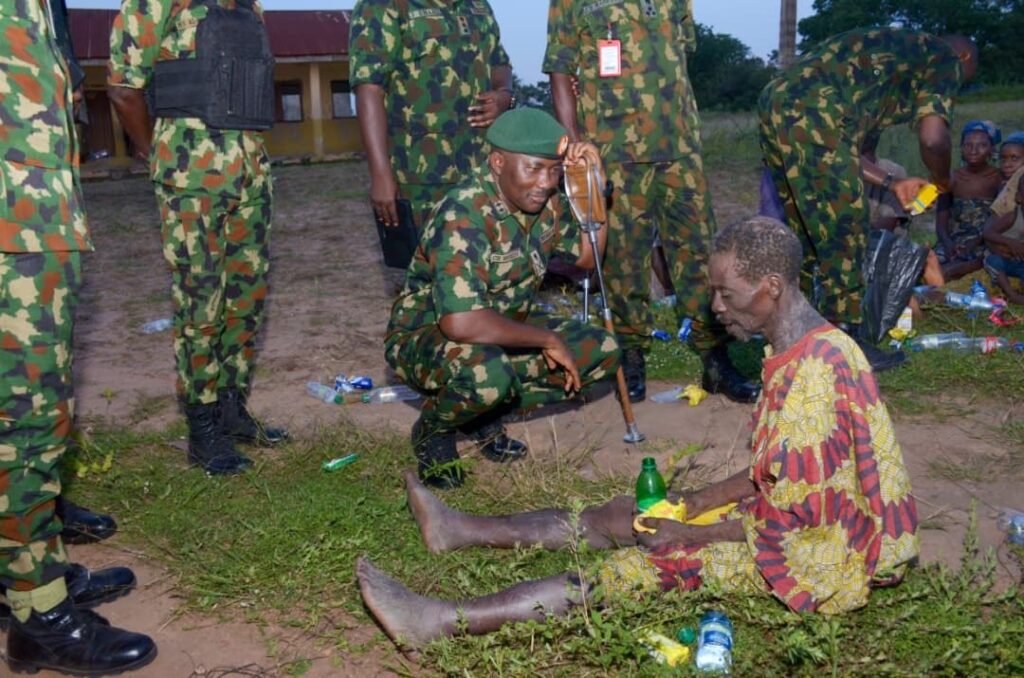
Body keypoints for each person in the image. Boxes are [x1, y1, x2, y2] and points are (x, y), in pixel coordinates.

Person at [357, 217, 920, 646]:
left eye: (727, 293)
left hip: (821, 557)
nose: (715, 306)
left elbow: (794, 522)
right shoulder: (800, 347)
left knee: (635, 568)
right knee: (627, 513)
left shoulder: (816, 379)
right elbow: (777, 473)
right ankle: (459, 528)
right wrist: (693, 501)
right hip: (799, 520)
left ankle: (438, 622)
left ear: (771, 287)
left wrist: (691, 536)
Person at [0, 2, 156, 673]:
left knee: (33, 412)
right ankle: (35, 607)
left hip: (35, 211)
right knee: (26, 417)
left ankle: (29, 575)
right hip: (15, 219)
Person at [385, 108, 621, 489]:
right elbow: (459, 322)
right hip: (430, 337)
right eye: (534, 168)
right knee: (487, 376)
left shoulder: (544, 201)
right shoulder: (463, 214)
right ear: (498, 162)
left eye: (554, 170)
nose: (546, 183)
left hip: (503, 327)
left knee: (602, 349)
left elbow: (587, 259)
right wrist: (547, 339)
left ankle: (481, 415)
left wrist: (593, 186)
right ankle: (434, 431)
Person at [543, 0, 758, 404]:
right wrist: (573, 143)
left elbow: (680, 53)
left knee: (699, 251)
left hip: (679, 147)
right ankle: (630, 354)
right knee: (623, 257)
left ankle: (714, 356)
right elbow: (560, 67)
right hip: (613, 149)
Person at [108, 0, 288, 476]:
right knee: (201, 302)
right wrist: (157, 155)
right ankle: (202, 427)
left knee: (246, 296)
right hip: (190, 173)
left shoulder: (250, 7)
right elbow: (124, 87)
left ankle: (232, 407)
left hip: (251, 169)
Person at [758, 28, 978, 371]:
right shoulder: (944, 59)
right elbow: (934, 139)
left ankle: (794, 331)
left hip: (776, 100)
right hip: (814, 109)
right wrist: (941, 179)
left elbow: (843, 152)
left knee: (805, 225)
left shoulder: (888, 62)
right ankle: (846, 343)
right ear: (964, 58)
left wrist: (893, 183)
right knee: (848, 223)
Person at [349, 0, 514, 240]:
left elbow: (499, 62)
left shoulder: (478, 6)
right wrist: (380, 175)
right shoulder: (383, 5)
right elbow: (369, 90)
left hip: (483, 168)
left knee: (486, 260)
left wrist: (504, 95)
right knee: (428, 264)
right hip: (419, 177)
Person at [934, 120, 1003, 280]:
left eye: (982, 145)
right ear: (961, 149)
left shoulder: (998, 179)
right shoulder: (951, 178)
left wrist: (974, 243)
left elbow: (999, 219)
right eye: (968, 145)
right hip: (953, 241)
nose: (974, 150)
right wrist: (948, 244)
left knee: (961, 268)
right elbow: (941, 220)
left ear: (992, 149)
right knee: (926, 264)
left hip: (984, 241)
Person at [983, 156, 1024, 305]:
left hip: (1019, 262)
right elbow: (988, 233)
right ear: (1019, 197)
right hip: (1000, 257)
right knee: (994, 262)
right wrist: (1010, 242)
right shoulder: (1013, 215)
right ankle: (1011, 294)